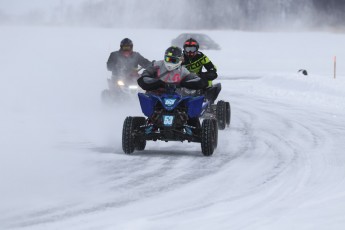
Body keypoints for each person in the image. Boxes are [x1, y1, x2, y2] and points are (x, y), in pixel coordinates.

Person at [137, 46, 207, 93]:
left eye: (173, 60)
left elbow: (197, 79)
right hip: (156, 95)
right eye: (168, 59)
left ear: (179, 60)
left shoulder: (183, 71)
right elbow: (145, 76)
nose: (170, 62)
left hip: (176, 98)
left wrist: (183, 84)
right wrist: (158, 83)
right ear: (164, 58)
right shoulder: (157, 65)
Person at [182, 38, 220, 104]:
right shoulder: (180, 57)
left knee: (209, 85)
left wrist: (209, 74)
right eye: (188, 49)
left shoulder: (202, 57)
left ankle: (208, 103)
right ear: (184, 49)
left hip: (198, 77)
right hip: (183, 77)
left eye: (192, 49)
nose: (190, 51)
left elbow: (211, 68)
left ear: (196, 49)